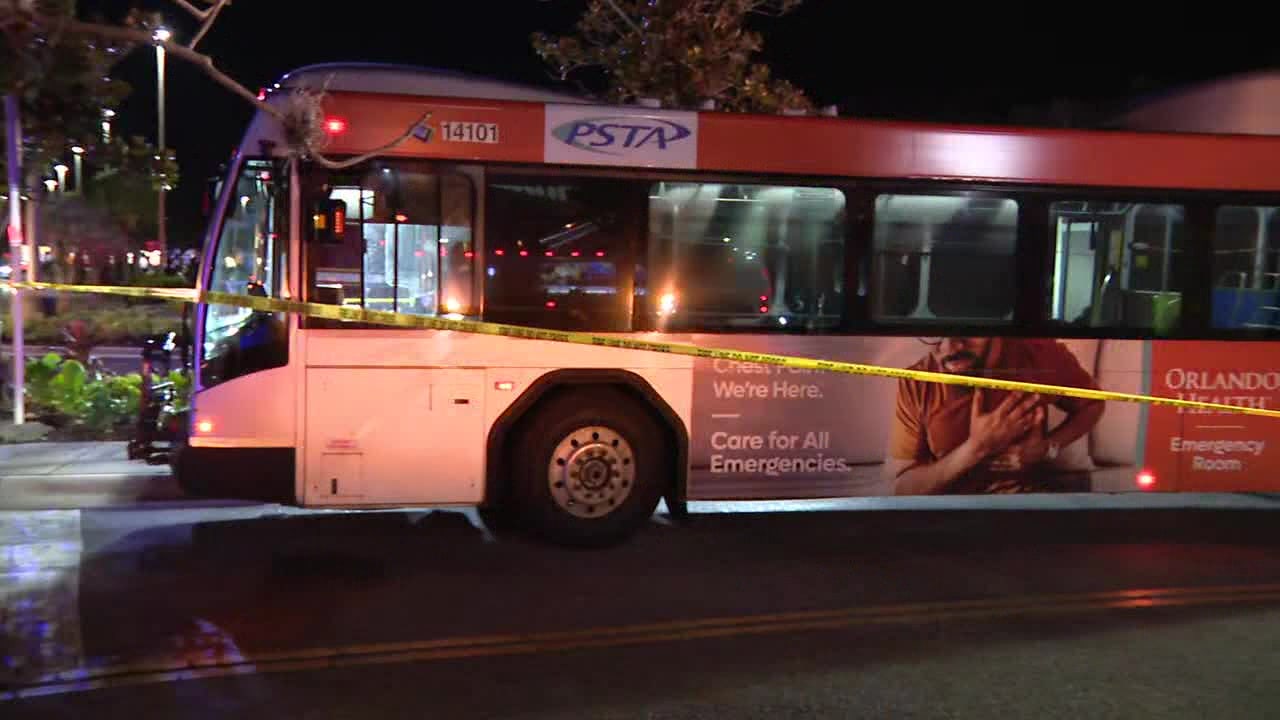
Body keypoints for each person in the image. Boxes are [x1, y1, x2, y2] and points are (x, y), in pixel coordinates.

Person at [884, 337, 1105, 495]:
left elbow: (1093, 403)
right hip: (949, 515)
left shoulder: (1039, 354)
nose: (950, 347)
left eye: (967, 331)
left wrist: (1047, 448)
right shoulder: (917, 381)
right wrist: (976, 448)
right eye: (935, 335)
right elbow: (903, 488)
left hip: (1025, 510)